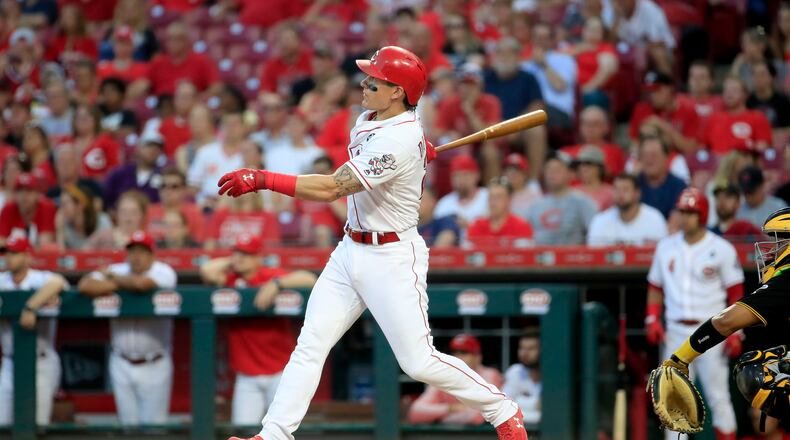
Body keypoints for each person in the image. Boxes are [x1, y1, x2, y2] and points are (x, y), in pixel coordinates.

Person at [221, 46, 528, 440]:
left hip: (392, 256)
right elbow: (387, 149)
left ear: (397, 92)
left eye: (375, 80)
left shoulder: (399, 139)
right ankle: (274, 434)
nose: (365, 84)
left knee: (418, 362)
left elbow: (332, 188)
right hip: (350, 248)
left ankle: (502, 409)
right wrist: (413, 156)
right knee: (311, 343)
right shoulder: (376, 119)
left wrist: (264, 179)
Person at [657, 206, 790, 436]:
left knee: (755, 372)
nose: (772, 251)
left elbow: (725, 321)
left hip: (693, 333)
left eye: (781, 242)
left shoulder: (787, 279)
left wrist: (680, 358)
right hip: (677, 325)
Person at [645, 189, 742, 440]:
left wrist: (736, 332)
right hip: (676, 331)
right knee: (671, 399)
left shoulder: (721, 248)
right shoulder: (666, 247)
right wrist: (652, 318)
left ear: (703, 214)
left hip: (712, 331)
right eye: (682, 212)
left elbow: (736, 293)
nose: (685, 217)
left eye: (691, 212)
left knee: (718, 397)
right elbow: (655, 287)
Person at [200, 234, 317, 424]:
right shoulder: (231, 278)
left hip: (280, 371)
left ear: (258, 257)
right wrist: (233, 260)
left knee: (282, 428)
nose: (239, 258)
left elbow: (309, 279)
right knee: (243, 429)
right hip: (246, 375)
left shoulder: (269, 275)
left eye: (246, 254)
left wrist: (277, 284)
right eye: (237, 252)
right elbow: (207, 270)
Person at [77, 231, 177, 426]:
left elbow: (141, 285)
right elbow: (85, 285)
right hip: (121, 361)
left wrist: (111, 280)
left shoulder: (163, 271)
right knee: (127, 428)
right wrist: (120, 283)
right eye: (133, 251)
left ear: (152, 255)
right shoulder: (119, 269)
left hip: (154, 362)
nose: (136, 256)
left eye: (142, 251)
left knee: (154, 429)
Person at [0, 236, 68, 426]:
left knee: (38, 424)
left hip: (41, 361)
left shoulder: (40, 278)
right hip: (10, 362)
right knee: (3, 424)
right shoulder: (2, 280)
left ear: (28, 256)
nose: (9, 258)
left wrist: (30, 307)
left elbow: (59, 282)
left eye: (15, 253)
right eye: (7, 253)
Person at [407, 334, 504, 425]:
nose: (458, 357)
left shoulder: (489, 375)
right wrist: (451, 408)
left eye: (464, 353)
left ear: (478, 357)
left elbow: (476, 417)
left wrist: (440, 419)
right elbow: (415, 413)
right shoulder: (443, 377)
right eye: (455, 353)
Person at [524, 152, 598, 245]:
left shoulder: (582, 202)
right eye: (548, 169)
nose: (552, 173)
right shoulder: (535, 206)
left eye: (557, 169)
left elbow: (596, 235)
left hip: (572, 253)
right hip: (540, 253)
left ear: (570, 174)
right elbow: (525, 237)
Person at [629, 71, 700, 154]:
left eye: (657, 90)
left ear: (670, 89)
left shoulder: (688, 111)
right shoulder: (641, 109)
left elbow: (690, 149)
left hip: (679, 159)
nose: (652, 96)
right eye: (650, 91)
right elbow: (633, 147)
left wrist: (662, 125)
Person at [587, 173, 668, 246]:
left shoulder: (654, 219)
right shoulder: (600, 221)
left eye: (625, 190)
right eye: (616, 189)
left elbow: (662, 252)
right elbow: (594, 254)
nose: (620, 194)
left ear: (637, 193)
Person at [522, 22, 577, 128]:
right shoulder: (525, 66)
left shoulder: (565, 60)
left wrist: (544, 64)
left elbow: (560, 86)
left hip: (558, 111)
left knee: (534, 111)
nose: (540, 41)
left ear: (552, 40)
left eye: (544, 38)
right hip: (530, 111)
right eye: (537, 37)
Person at [187, 111, 245, 207]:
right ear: (221, 128)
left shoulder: (250, 154)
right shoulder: (206, 151)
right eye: (227, 124)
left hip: (238, 206)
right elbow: (193, 184)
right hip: (206, 205)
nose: (231, 128)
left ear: (243, 127)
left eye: (235, 124)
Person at [704, 77, 773, 155]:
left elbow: (763, 147)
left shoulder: (757, 117)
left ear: (745, 95)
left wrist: (746, 148)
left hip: (745, 160)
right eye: (726, 90)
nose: (729, 94)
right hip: (717, 161)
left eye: (734, 90)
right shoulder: (714, 119)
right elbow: (704, 148)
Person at [466, 177, 534, 248]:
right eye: (491, 197)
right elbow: (467, 253)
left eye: (498, 197)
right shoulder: (477, 226)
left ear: (509, 200)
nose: (492, 202)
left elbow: (525, 254)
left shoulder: (521, 227)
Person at [103, 131, 165, 208]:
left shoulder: (164, 176)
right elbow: (106, 197)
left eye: (158, 147)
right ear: (138, 148)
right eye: (149, 145)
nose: (153, 150)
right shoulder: (119, 173)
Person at [560, 106, 627, 177]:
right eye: (586, 123)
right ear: (580, 127)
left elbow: (620, 177)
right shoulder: (566, 152)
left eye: (595, 124)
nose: (590, 128)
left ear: (606, 127)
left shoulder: (615, 152)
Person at [636, 135, 687, 219]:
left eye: (654, 155)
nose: (649, 160)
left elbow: (676, 222)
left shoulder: (679, 187)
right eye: (645, 155)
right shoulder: (634, 184)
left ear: (666, 157)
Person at [0, 172, 57, 248]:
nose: (24, 195)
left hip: (34, 255)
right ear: (15, 194)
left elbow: (45, 244)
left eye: (29, 191)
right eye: (20, 191)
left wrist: (15, 244)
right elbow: (1, 241)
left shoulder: (46, 208)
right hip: (15, 254)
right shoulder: (8, 209)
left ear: (37, 194)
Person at [434, 154, 489, 227]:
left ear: (477, 175)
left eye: (465, 175)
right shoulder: (444, 204)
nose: (461, 179)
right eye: (456, 176)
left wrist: (469, 226)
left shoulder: (489, 197)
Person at [503, 329, 542, 425]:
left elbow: (553, 411)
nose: (524, 353)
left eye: (531, 349)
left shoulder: (555, 373)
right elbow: (504, 406)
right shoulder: (515, 371)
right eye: (522, 348)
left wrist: (519, 401)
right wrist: (536, 404)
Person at [676, 62, 724, 139]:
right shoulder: (678, 100)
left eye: (702, 77)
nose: (696, 80)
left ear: (712, 82)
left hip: (713, 144)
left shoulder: (721, 102)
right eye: (693, 76)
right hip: (685, 143)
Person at [571, 145, 614, 211]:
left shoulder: (611, 193)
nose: (583, 168)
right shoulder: (572, 192)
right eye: (580, 164)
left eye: (588, 163)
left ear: (599, 168)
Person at [501, 153, 542, 220]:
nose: (512, 174)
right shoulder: (500, 193)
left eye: (517, 170)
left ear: (525, 174)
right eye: (509, 170)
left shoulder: (533, 192)